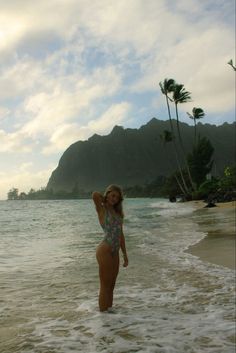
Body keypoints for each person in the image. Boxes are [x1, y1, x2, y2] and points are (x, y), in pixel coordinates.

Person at [92, 184, 128, 312]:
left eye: (117, 197)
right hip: (105, 249)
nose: (114, 199)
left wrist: (125, 254)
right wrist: (105, 200)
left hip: (115, 251)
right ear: (107, 194)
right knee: (105, 285)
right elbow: (95, 194)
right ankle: (103, 316)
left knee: (111, 285)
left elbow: (120, 235)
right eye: (112, 195)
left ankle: (109, 315)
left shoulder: (118, 214)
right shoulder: (102, 210)